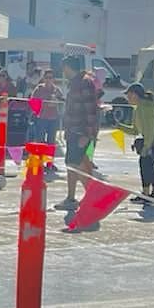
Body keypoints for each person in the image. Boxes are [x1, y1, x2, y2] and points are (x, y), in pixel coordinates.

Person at [59, 58, 101, 211]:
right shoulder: (77, 82)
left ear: (68, 67)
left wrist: (87, 134)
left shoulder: (84, 83)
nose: (63, 72)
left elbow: (91, 111)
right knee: (80, 164)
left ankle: (74, 198)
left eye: (64, 68)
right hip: (73, 130)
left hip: (79, 131)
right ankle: (89, 196)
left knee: (73, 164)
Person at [123, 82, 154, 200]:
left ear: (135, 95)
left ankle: (150, 193)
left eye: (128, 95)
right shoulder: (138, 108)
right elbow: (134, 130)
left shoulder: (147, 107)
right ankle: (151, 193)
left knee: (146, 162)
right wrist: (119, 126)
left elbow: (150, 130)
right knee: (148, 163)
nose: (127, 98)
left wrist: (146, 147)